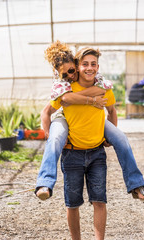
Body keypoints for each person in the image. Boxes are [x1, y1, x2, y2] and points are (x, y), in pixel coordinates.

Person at [35, 40, 144, 201]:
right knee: (54, 140)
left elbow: (105, 96)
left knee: (121, 139)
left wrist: (107, 137)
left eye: (71, 70)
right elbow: (51, 108)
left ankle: (136, 185)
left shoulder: (97, 81)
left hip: (95, 120)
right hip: (66, 118)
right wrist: (48, 134)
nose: (70, 76)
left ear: (76, 65)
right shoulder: (62, 85)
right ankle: (45, 183)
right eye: (65, 74)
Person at [54, 47, 112, 239]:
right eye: (85, 64)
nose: (89, 68)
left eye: (93, 64)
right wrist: (53, 137)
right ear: (78, 67)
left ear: (98, 67)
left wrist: (109, 136)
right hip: (72, 154)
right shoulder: (67, 89)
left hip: (97, 154)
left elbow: (112, 110)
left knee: (99, 201)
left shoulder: (103, 87)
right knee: (72, 204)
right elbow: (47, 111)